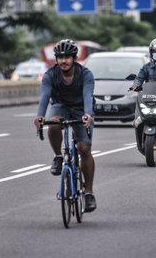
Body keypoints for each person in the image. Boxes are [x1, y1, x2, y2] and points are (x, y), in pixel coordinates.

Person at [34, 39, 97, 212]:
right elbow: (45, 96)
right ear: (56, 59)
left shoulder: (85, 74)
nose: (63, 61)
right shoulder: (50, 75)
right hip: (60, 105)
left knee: (84, 148)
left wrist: (88, 114)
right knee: (53, 123)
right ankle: (58, 157)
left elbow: (87, 95)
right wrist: (40, 116)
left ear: (74, 58)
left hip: (81, 109)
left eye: (67, 57)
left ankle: (89, 193)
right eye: (60, 57)